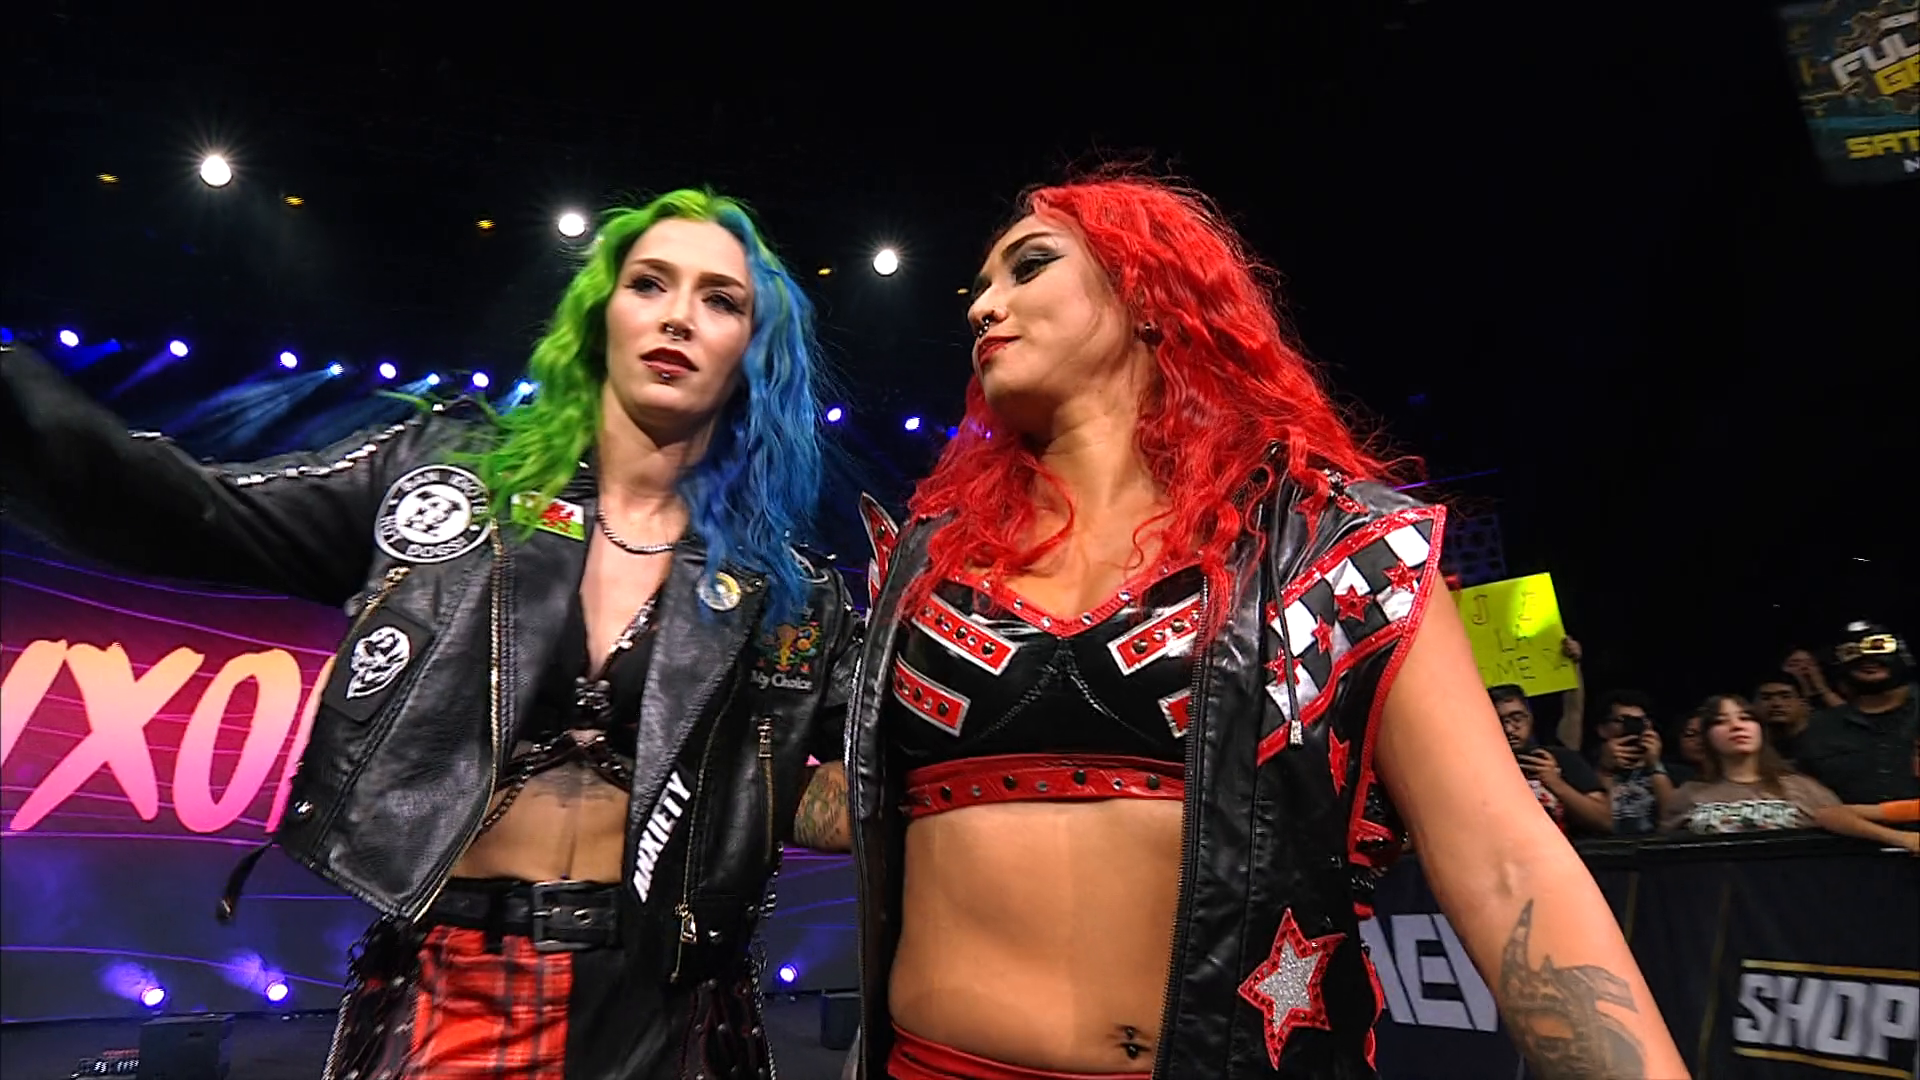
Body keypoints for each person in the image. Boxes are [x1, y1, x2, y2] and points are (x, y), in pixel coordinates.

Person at [0, 189, 860, 1079]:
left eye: (721, 300)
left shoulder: (787, 590)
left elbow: (858, 784)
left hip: (672, 1006)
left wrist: (806, 795)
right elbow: (185, 509)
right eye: (650, 283)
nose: (678, 315)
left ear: (754, 351)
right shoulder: (446, 480)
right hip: (456, 988)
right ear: (601, 314)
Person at [842, 174, 1685, 1078]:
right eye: (979, 288)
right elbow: (853, 797)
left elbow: (1505, 863)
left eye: (1029, 267)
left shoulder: (1336, 552)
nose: (983, 307)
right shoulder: (925, 564)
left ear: (1148, 293)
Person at [1661, 696, 1918, 854]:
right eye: (1720, 721)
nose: (1736, 726)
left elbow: (1836, 822)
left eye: (1746, 717)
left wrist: (1905, 839)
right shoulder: (1687, 795)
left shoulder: (1803, 788)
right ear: (1706, 737)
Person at [1797, 621, 1920, 806]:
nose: (1867, 658)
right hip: (1844, 823)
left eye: (1878, 646)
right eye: (1851, 651)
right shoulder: (1820, 730)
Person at [1492, 684, 1613, 836]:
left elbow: (1604, 821)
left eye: (1517, 718)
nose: (1509, 729)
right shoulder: (1475, 768)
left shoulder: (1562, 758)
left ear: (1530, 718)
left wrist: (1555, 782)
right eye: (1499, 721)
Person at [1588, 690, 1675, 835]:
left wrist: (1654, 765)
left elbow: (1672, 817)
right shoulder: (1585, 768)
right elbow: (1599, 820)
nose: (1633, 726)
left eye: (1640, 721)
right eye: (1624, 720)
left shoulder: (1672, 772)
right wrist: (1605, 770)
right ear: (1602, 729)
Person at [1753, 667, 1813, 762]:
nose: (1776, 704)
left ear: (1803, 703)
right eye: (1766, 698)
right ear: (1754, 705)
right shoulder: (1751, 750)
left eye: (1785, 696)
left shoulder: (1827, 741)